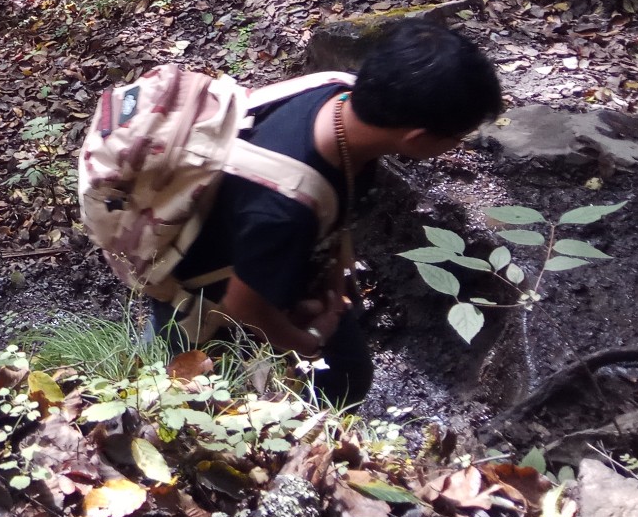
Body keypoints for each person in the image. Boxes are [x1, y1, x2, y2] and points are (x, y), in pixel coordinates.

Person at [161, 20, 503, 406]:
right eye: (459, 138)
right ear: (418, 138)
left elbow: (334, 202)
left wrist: (332, 286)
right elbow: (244, 307)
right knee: (203, 393)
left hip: (259, 261)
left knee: (348, 369)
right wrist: (309, 343)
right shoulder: (284, 207)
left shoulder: (337, 91)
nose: (459, 146)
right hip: (201, 301)